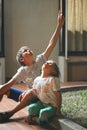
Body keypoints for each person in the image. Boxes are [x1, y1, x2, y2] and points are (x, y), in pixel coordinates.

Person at [0, 10, 64, 102]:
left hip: (42, 98)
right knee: (2, 88)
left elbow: (51, 44)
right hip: (29, 97)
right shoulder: (22, 71)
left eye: (29, 49)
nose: (29, 50)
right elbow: (9, 84)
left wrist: (59, 26)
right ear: (22, 59)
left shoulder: (40, 60)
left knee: (28, 94)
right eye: (25, 51)